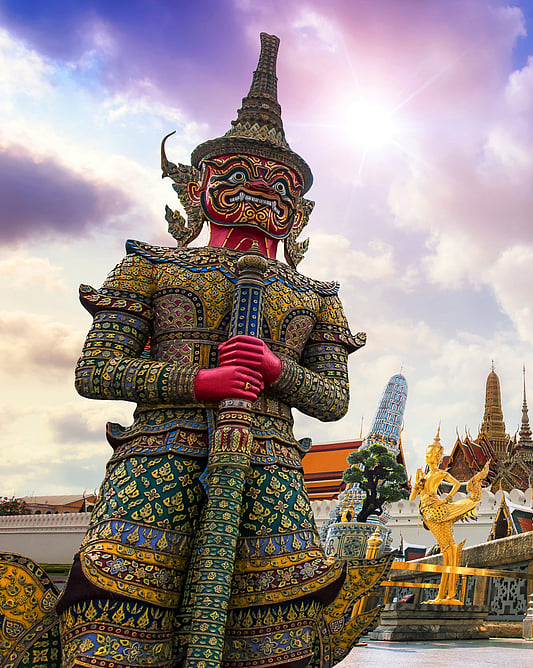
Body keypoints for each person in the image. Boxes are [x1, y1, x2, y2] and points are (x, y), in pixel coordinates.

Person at [54, 33, 383, 667]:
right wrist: (199, 383)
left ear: (298, 209)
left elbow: (334, 400)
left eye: (279, 184)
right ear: (198, 186)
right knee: (115, 636)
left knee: (277, 643)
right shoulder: (151, 267)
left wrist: (276, 369)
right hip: (157, 468)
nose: (259, 192)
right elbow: (96, 371)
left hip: (270, 476)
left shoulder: (317, 296)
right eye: (236, 176)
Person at [410, 428, 490, 604]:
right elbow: (411, 498)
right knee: (448, 550)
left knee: (449, 550)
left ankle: (449, 595)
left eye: (431, 453)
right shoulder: (425, 475)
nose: (428, 456)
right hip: (427, 511)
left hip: (436, 512)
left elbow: (456, 485)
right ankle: (444, 595)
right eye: (427, 453)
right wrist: (416, 485)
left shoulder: (440, 474)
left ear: (438, 456)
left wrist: (447, 498)